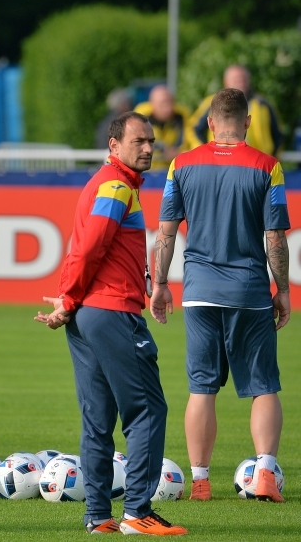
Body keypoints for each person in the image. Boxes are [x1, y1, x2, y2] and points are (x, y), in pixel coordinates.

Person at [36, 112, 187, 536]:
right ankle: (138, 510)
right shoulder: (117, 186)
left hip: (87, 315)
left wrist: (69, 301)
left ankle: (98, 515)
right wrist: (68, 296)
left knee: (98, 419)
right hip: (111, 313)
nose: (147, 148)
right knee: (148, 410)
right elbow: (88, 249)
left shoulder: (109, 184)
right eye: (138, 141)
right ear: (113, 144)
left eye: (152, 141)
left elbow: (80, 250)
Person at [152, 88, 290, 503]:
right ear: (247, 121)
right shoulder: (268, 166)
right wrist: (282, 290)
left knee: (201, 388)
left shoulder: (182, 164)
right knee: (263, 385)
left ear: (210, 122)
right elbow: (275, 237)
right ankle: (264, 473)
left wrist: (159, 283)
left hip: (199, 292)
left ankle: (200, 482)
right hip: (249, 290)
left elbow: (166, 232)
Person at [190, 64, 284, 155]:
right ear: (225, 81)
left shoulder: (262, 105)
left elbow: (278, 134)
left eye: (243, 79)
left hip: (255, 164)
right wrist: (205, 153)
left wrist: (270, 159)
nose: (240, 82)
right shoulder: (212, 103)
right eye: (236, 79)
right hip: (220, 162)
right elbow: (194, 128)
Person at [134, 85, 199, 170]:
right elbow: (137, 143)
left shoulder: (182, 115)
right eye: (162, 104)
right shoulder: (141, 115)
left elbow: (194, 139)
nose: (168, 108)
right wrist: (163, 150)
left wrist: (180, 153)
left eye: (170, 102)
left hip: (176, 168)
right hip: (148, 170)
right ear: (152, 104)